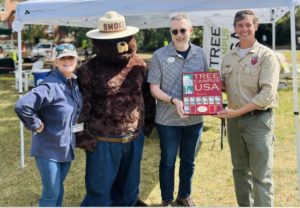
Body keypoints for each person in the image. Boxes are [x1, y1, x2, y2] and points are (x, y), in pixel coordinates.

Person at [75, 11, 156, 206]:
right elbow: (81, 106)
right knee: (99, 190)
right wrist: (82, 135)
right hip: (103, 140)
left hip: (133, 138)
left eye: (123, 39)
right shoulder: (88, 70)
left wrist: (148, 124)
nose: (121, 45)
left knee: (129, 187)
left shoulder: (139, 65)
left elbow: (146, 97)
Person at [215, 10, 280, 207]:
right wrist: (209, 87)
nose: (244, 29)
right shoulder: (228, 57)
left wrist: (236, 112)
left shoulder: (266, 56)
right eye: (240, 26)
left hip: (258, 121)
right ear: (235, 28)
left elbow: (267, 95)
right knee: (240, 170)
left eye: (248, 25)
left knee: (261, 174)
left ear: (255, 26)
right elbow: (226, 85)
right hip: (234, 122)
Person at [148, 13, 208, 207]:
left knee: (189, 161)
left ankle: (184, 196)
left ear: (191, 30)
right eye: (175, 31)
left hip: (194, 120)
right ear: (170, 32)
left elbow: (205, 83)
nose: (179, 34)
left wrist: (210, 101)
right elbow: (154, 88)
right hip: (167, 120)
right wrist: (174, 100)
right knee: (168, 161)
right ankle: (166, 199)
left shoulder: (200, 53)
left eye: (183, 30)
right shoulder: (159, 55)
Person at [15, 43, 82, 207]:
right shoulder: (49, 85)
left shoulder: (73, 83)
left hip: (65, 148)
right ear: (56, 62)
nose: (67, 61)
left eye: (70, 57)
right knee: (51, 194)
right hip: (48, 149)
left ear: (76, 60)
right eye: (62, 58)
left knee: (58, 190)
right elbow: (22, 106)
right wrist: (36, 124)